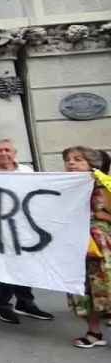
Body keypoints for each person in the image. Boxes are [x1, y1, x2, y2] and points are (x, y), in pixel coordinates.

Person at [0, 138, 54, 324]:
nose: (3, 153)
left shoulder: (27, 172)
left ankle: (25, 303)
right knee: (3, 268)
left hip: (24, 228)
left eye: (7, 150)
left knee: (25, 266)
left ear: (14, 152)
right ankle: (3, 305)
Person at [64, 146, 111, 348]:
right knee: (85, 291)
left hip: (101, 246)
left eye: (78, 159)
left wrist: (92, 216)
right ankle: (94, 332)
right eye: (69, 160)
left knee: (105, 288)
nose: (71, 163)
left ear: (91, 164)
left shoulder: (102, 184)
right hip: (75, 245)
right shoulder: (64, 186)